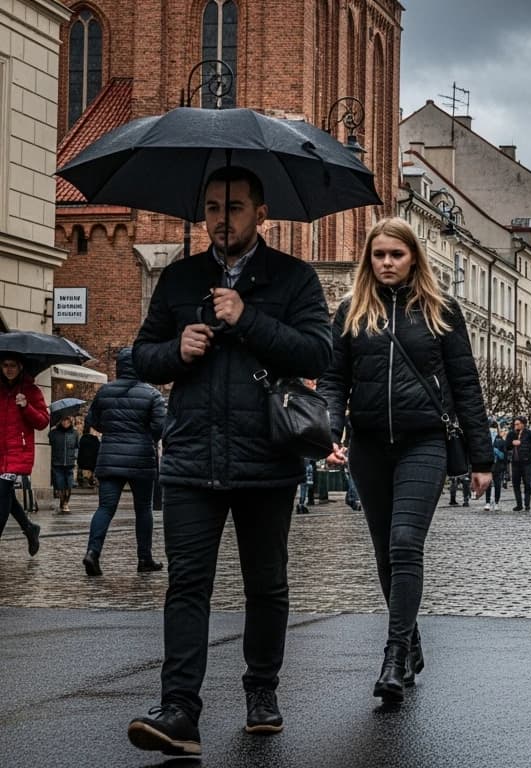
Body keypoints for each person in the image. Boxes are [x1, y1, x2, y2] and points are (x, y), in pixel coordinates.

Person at [127, 166, 334, 757]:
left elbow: (316, 351)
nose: (222, 219)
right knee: (187, 585)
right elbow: (141, 356)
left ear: (260, 213)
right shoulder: (180, 278)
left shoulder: (292, 279)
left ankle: (261, 691)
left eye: (235, 207)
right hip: (192, 455)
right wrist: (176, 349)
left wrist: (248, 319)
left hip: (266, 457)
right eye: (213, 208)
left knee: (265, 584)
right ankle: (179, 711)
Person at [319, 217, 494, 704]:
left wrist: (482, 458)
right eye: (379, 255)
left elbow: (466, 386)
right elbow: (334, 381)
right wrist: (331, 432)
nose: (387, 263)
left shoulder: (441, 311)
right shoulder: (353, 312)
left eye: (396, 254)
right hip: (370, 444)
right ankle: (411, 638)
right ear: (368, 260)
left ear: (414, 257)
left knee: (403, 542)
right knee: (382, 552)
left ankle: (395, 656)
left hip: (425, 442)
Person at [81, 348, 167, 576]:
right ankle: (144, 558)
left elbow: (92, 421)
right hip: (141, 458)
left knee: (105, 507)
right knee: (143, 509)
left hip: (109, 456)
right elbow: (161, 426)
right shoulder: (151, 394)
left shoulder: (105, 392)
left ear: (119, 366)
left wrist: (112, 432)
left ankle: (92, 552)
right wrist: (146, 438)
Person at [0, 354, 47, 557]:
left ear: (20, 367)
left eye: (12, 365)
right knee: (6, 495)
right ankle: (29, 528)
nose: (8, 369)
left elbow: (43, 421)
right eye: (5, 365)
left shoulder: (31, 390)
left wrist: (26, 406)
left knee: (1, 494)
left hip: (17, 452)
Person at [49, 414, 80, 514]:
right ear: (60, 421)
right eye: (63, 420)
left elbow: (77, 447)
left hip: (70, 464)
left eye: (67, 420)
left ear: (70, 422)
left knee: (69, 485)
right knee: (60, 485)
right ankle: (62, 503)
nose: (65, 423)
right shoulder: (54, 433)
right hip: (57, 463)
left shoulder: (74, 433)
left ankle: (66, 503)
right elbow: (50, 444)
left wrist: (75, 457)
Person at [507, 417, 531, 511]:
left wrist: (520, 443)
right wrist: (512, 443)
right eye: (515, 424)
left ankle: (527, 504)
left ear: (523, 424)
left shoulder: (530, 434)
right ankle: (519, 504)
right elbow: (507, 446)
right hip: (515, 462)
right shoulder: (512, 434)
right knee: (515, 483)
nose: (515, 426)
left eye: (517, 424)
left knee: (527, 483)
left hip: (527, 462)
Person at [483, 428, 508, 511]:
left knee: (497, 485)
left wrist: (497, 451)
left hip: (498, 466)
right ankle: (487, 502)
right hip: (488, 466)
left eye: (494, 431)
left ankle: (496, 503)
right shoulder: (486, 442)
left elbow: (504, 456)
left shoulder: (501, 442)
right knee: (488, 485)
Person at [77, 424, 100, 488]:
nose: (95, 431)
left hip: (90, 460)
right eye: (93, 429)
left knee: (89, 471)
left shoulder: (89, 438)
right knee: (87, 471)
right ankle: (86, 481)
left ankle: (89, 480)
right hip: (87, 460)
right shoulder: (87, 438)